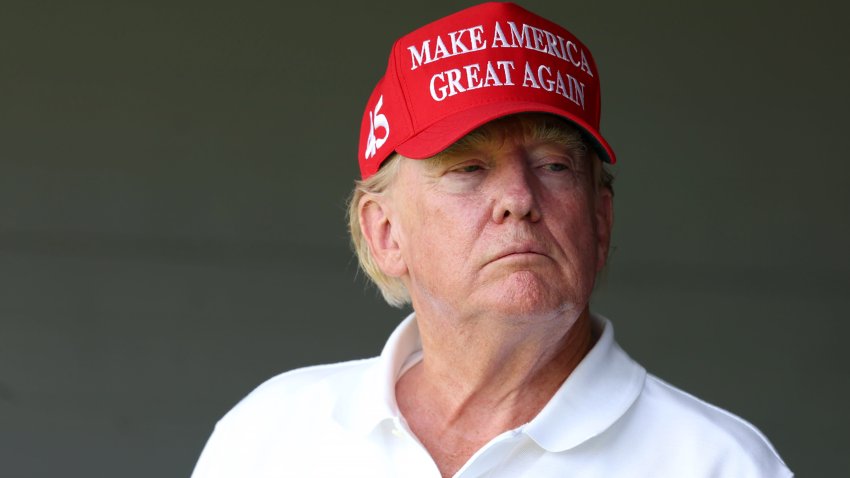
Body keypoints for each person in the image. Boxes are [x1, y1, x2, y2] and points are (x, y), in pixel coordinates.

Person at [191, 3, 793, 477]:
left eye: (555, 164)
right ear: (386, 232)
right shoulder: (271, 436)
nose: (520, 199)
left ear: (600, 220)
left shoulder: (719, 465)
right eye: (469, 169)